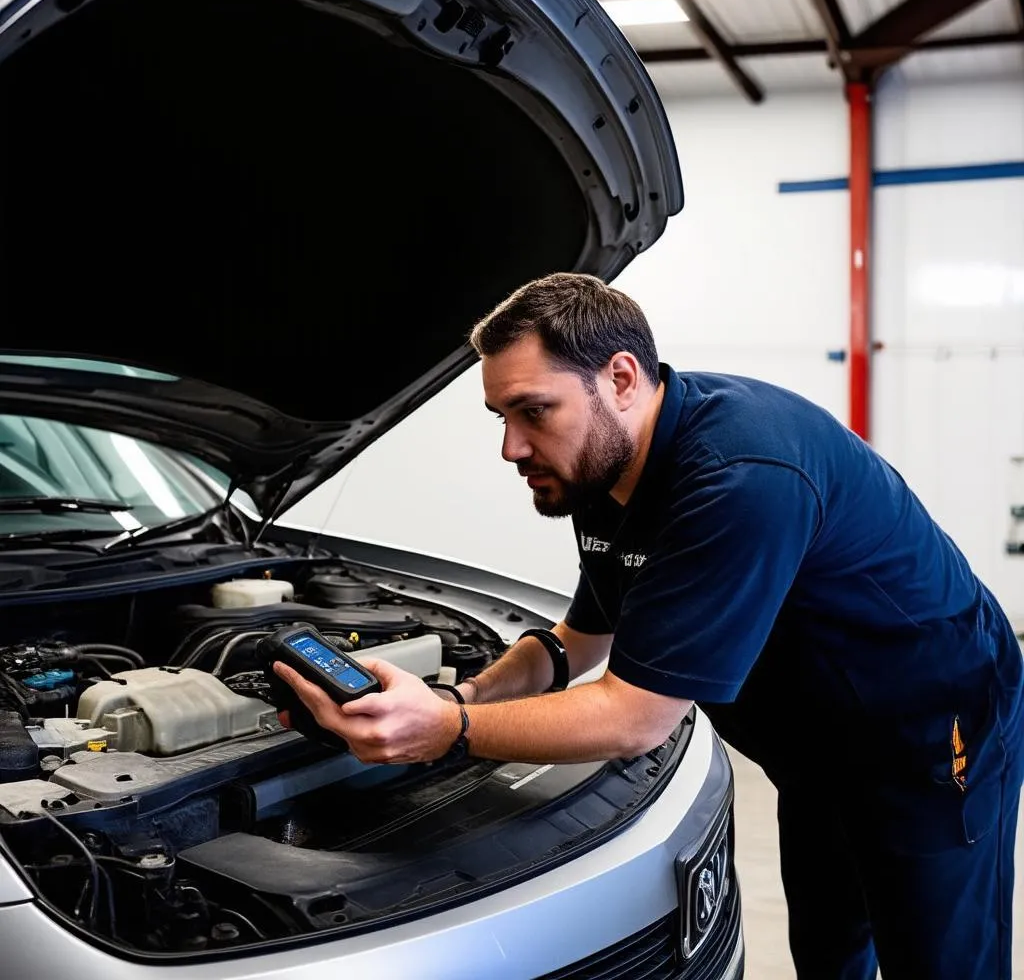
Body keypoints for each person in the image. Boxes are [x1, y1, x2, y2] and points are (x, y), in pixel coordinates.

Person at [274, 272, 1024, 980]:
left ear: (622, 379)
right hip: (815, 748)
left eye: (534, 410)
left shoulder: (739, 474)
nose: (511, 447)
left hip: (927, 733)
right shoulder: (604, 471)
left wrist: (447, 729)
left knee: (938, 960)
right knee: (830, 946)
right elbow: (577, 643)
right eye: (501, 416)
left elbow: (636, 718)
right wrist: (468, 694)